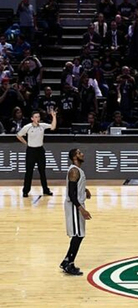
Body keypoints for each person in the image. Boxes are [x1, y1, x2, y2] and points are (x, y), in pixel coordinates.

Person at [60, 148, 92, 276]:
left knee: (79, 235)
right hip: (74, 206)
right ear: (74, 157)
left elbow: (76, 186)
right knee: (78, 235)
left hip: (76, 204)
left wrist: (85, 189)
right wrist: (81, 209)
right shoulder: (73, 170)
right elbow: (71, 194)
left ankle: (66, 261)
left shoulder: (77, 170)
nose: (82, 154)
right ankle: (69, 264)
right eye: (79, 153)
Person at [17, 109, 57, 197]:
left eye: (38, 117)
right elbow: (19, 135)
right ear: (32, 118)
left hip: (40, 150)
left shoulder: (42, 126)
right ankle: (25, 191)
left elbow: (53, 127)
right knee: (29, 172)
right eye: (35, 117)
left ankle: (45, 190)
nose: (37, 118)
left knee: (42, 171)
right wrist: (26, 143)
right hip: (31, 151)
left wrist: (54, 116)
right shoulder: (27, 127)